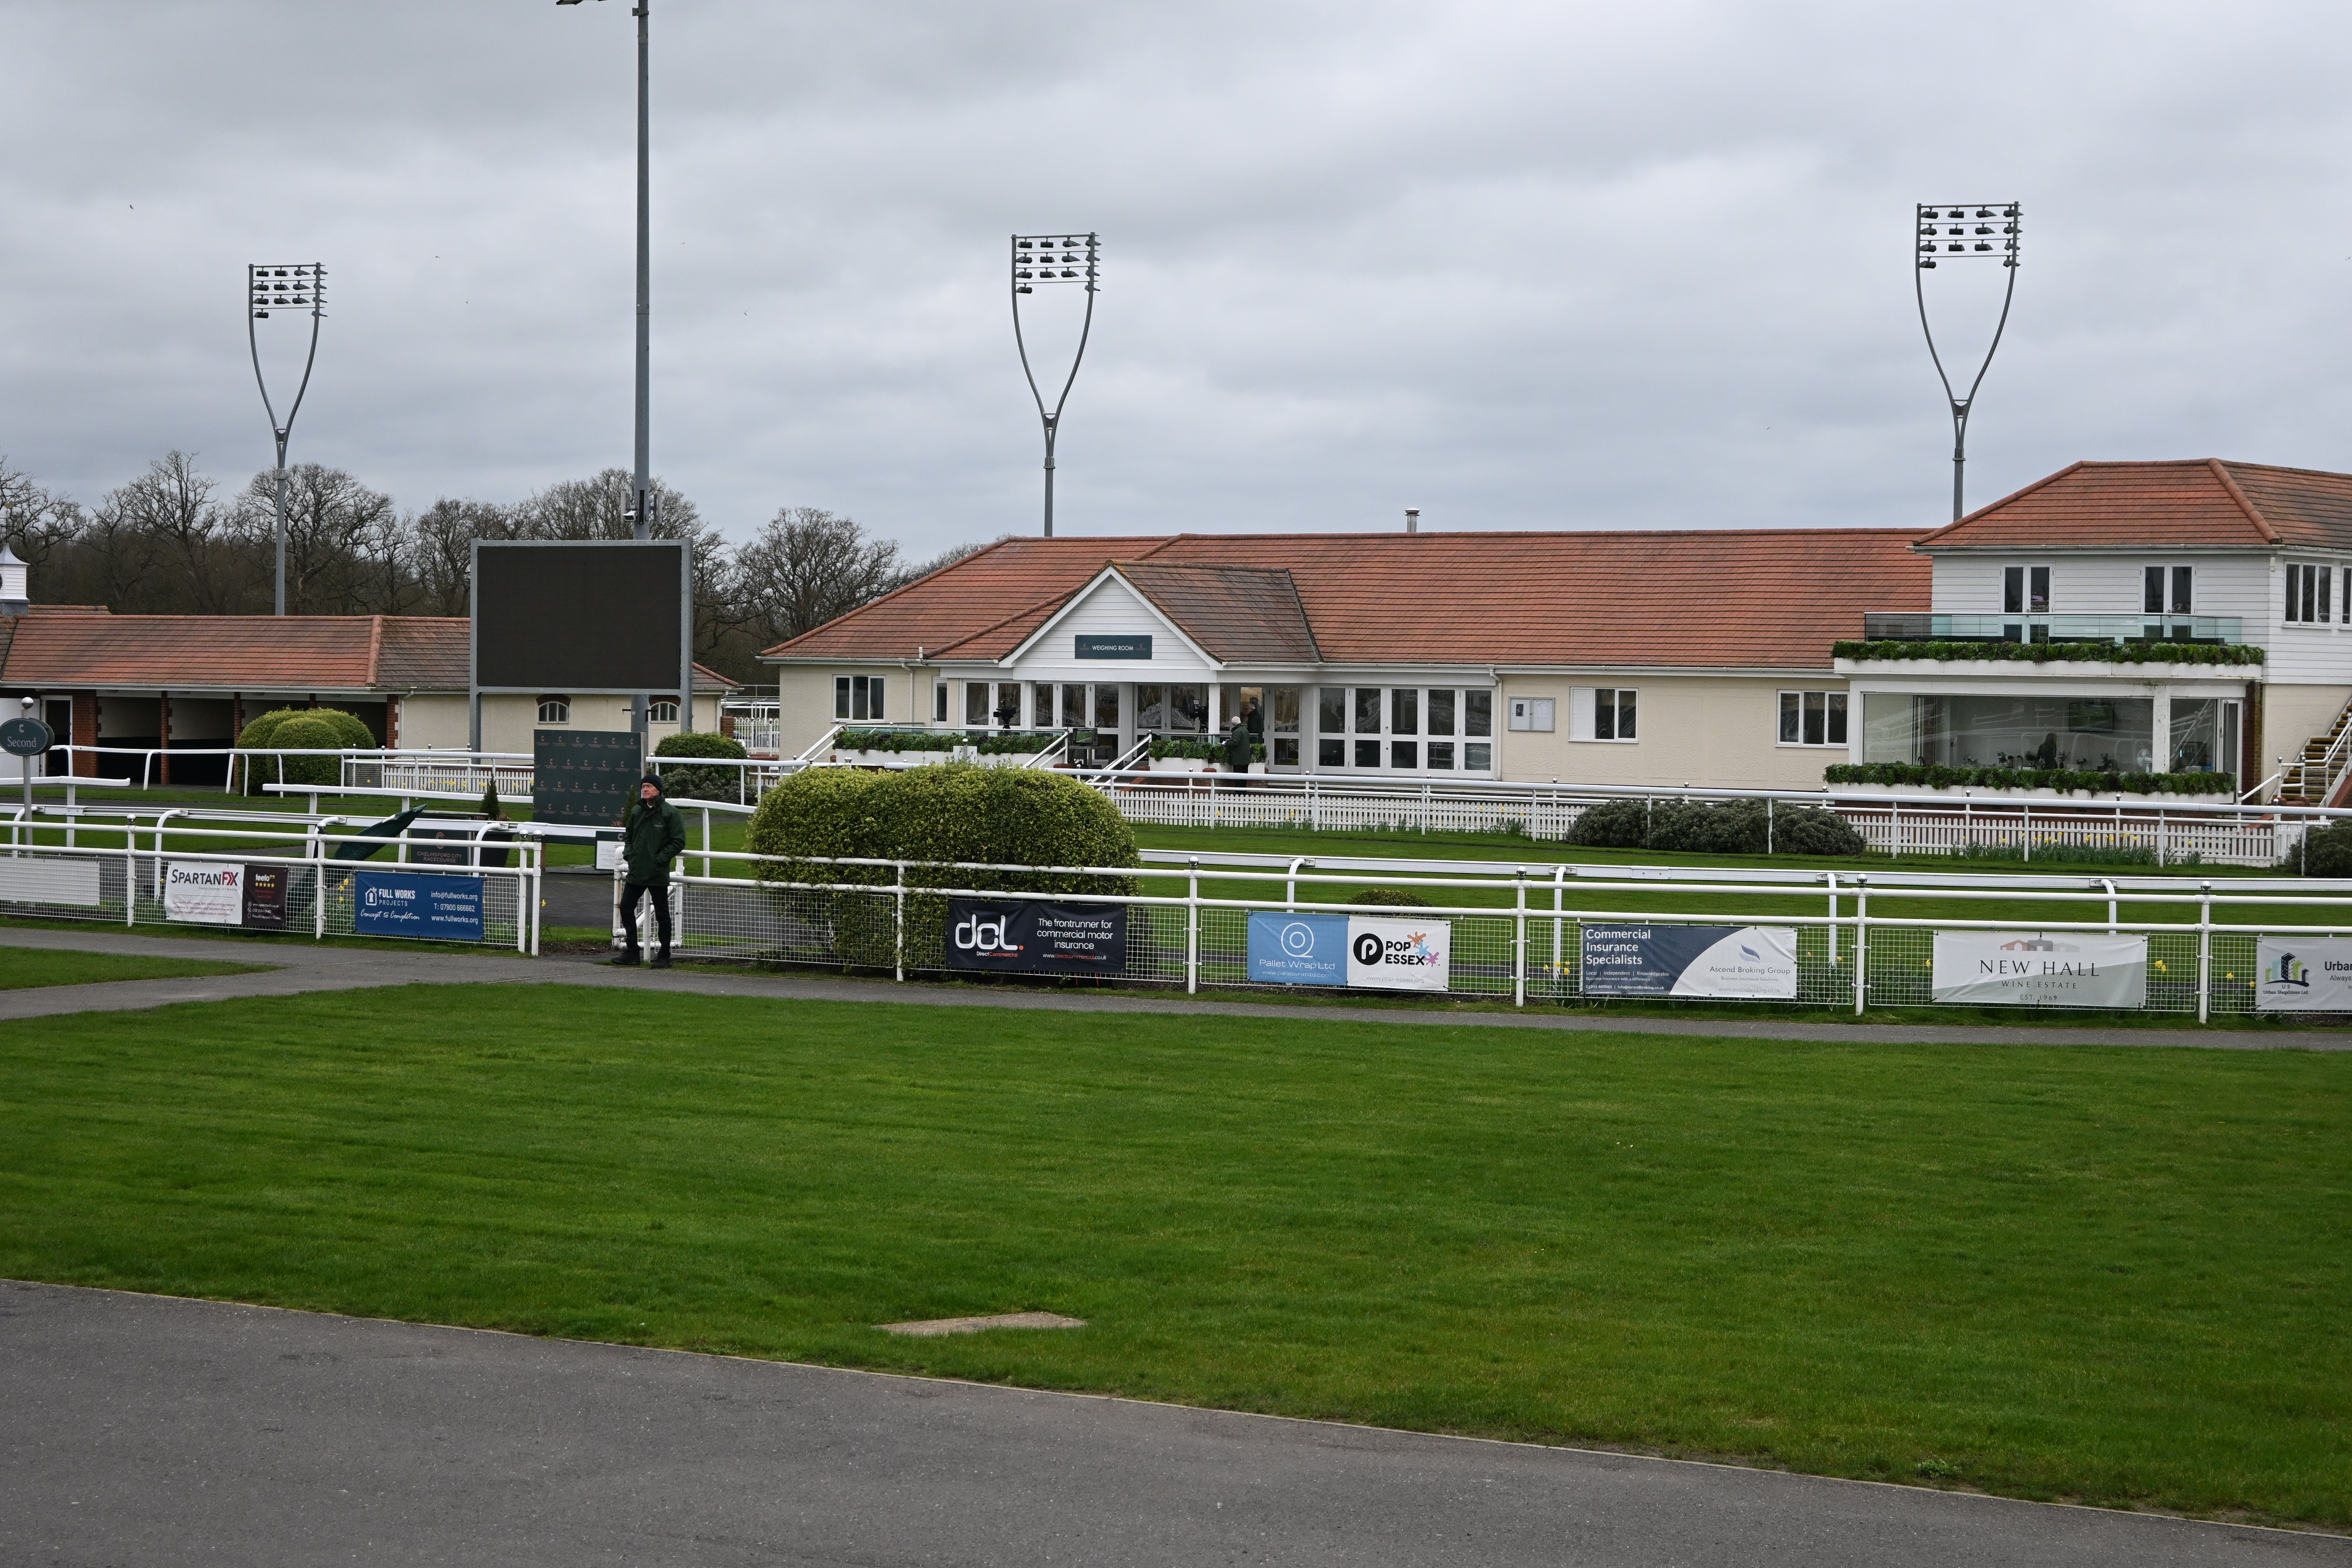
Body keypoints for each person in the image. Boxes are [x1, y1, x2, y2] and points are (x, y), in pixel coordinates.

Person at [614, 773, 687, 969]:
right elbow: (629, 835)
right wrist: (630, 854)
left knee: (662, 914)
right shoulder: (638, 811)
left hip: (657, 873)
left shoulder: (670, 813)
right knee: (626, 908)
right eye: (643, 786)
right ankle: (632, 953)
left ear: (659, 790)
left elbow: (679, 841)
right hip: (637, 871)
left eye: (649, 786)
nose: (645, 789)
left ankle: (664, 956)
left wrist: (660, 859)